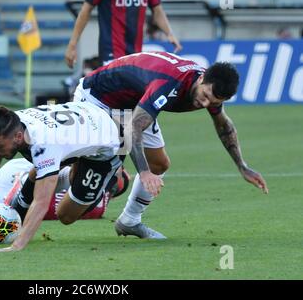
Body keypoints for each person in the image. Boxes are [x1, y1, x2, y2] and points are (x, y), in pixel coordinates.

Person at [73, 51, 269, 239]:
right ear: (201, 79)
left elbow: (224, 125)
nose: (206, 103)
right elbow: (133, 129)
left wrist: (242, 166)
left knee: (159, 164)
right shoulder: (168, 84)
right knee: (71, 213)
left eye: (213, 101)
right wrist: (144, 172)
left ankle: (130, 221)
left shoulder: (209, 88)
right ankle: (59, 173)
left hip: (136, 104)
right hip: (98, 98)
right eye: (206, 95)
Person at [0, 101, 124, 252]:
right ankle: (64, 172)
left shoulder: (44, 144)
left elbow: (41, 202)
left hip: (107, 145)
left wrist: (18, 245)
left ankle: (110, 183)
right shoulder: (9, 123)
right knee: (40, 171)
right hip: (78, 130)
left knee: (66, 216)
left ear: (18, 137)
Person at [0, 158, 129, 221]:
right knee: (1, 210)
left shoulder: (93, 199)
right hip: (25, 173)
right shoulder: (94, 207)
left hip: (23, 175)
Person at [65, 0, 182, 68]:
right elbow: (86, 10)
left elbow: (157, 10)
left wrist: (169, 33)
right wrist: (72, 44)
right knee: (115, 96)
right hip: (111, 52)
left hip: (135, 53)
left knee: (129, 97)